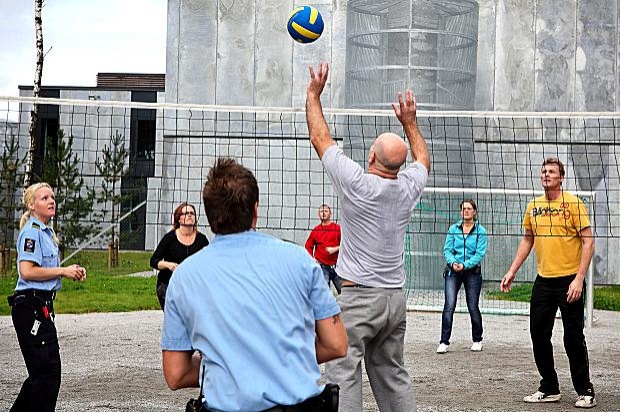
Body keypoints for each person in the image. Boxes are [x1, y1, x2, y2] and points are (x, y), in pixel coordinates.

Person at [161, 157, 348, 411]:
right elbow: (336, 344)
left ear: (207, 214)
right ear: (255, 209)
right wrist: (278, 359)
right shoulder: (300, 260)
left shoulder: (184, 276)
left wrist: (233, 363)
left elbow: (176, 374)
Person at [306, 62, 431, 412]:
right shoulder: (408, 187)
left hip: (359, 297)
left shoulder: (357, 184)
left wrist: (313, 94)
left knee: (343, 370)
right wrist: (409, 122)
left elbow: (320, 137)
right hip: (394, 299)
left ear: (372, 156)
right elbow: (423, 157)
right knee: (392, 373)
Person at [500, 157, 596, 409]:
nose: (546, 175)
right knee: (538, 334)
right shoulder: (534, 206)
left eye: (551, 171)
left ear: (561, 177)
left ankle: (585, 390)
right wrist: (512, 271)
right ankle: (550, 387)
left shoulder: (574, 204)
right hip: (543, 280)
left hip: (569, 280)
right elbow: (527, 240)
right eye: (543, 171)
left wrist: (579, 279)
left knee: (572, 337)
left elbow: (588, 241)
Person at [8, 183, 86, 412]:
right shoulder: (31, 232)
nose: (51, 200)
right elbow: (28, 271)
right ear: (31, 205)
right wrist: (63, 271)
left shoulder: (45, 232)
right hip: (29, 306)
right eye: (44, 198)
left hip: (39, 306)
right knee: (46, 374)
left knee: (42, 374)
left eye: (52, 196)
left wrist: (69, 271)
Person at [437, 199, 488, 354]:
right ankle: (444, 342)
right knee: (449, 305)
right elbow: (447, 250)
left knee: (473, 306)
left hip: (472, 272)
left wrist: (465, 265)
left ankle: (477, 339)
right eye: (464, 208)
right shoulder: (453, 229)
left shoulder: (481, 231)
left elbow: (479, 254)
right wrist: (454, 263)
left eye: (469, 208)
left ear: (474, 211)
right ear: (461, 211)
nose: (466, 211)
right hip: (454, 271)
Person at [150, 202, 209, 310]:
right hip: (169, 284)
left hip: (193, 285)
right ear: (178, 219)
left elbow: (209, 264)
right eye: (186, 213)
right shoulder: (169, 238)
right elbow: (153, 261)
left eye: (192, 213)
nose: (190, 215)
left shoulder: (202, 240)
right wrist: (168, 265)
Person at [305, 204, 342, 294]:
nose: (323, 213)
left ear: (331, 214)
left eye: (326, 211)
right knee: (324, 293)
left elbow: (346, 244)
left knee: (343, 292)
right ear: (318, 214)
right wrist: (312, 259)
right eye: (321, 211)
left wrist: (335, 248)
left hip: (337, 266)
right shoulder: (316, 230)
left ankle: (343, 308)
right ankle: (327, 308)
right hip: (323, 267)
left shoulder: (337, 228)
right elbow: (308, 246)